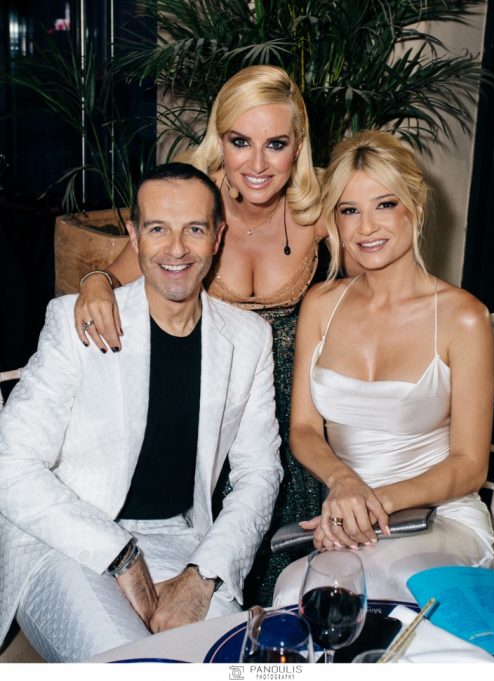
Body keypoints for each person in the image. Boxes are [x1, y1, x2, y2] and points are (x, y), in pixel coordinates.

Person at [0, 162, 282, 662]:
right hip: (67, 537)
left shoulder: (248, 339)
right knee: (132, 665)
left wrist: (204, 574)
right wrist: (121, 555)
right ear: (133, 236)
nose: (176, 249)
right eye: (157, 229)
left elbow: (259, 472)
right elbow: (9, 464)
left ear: (217, 237)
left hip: (183, 540)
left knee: (234, 661)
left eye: (194, 229)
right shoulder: (76, 323)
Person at [73, 65, 327, 605]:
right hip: (220, 423)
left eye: (276, 144)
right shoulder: (196, 203)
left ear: (298, 145)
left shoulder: (321, 210)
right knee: (220, 589)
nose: (257, 164)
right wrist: (93, 282)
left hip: (302, 425)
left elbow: (375, 294)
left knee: (302, 595)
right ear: (220, 140)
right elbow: (115, 274)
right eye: (240, 141)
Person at [273, 130, 494, 606]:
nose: (366, 227)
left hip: (439, 518)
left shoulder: (464, 317)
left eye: (385, 205)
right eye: (349, 210)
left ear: (415, 207)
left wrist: (373, 503)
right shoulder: (321, 304)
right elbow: (305, 430)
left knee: (350, 589)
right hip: (352, 517)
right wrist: (344, 483)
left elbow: (470, 466)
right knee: (295, 589)